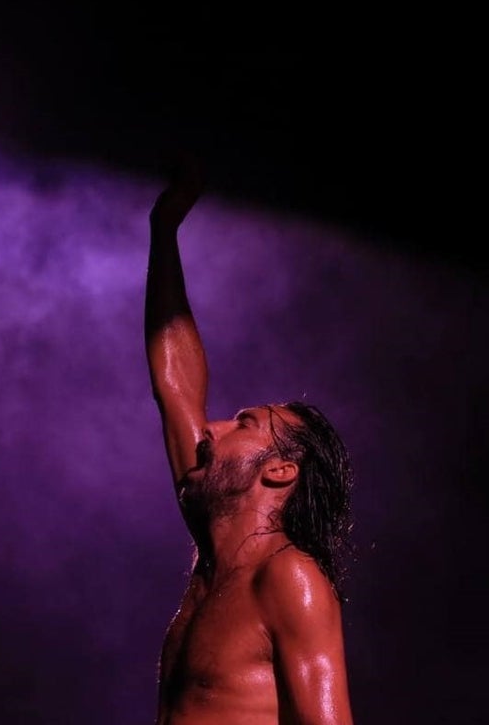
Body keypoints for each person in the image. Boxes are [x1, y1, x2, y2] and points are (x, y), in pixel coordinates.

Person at [144, 158, 356, 724]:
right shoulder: (215, 559)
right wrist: (164, 231)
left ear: (281, 470)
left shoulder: (288, 578)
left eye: (244, 423)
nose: (209, 430)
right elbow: (175, 387)